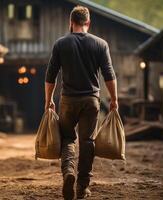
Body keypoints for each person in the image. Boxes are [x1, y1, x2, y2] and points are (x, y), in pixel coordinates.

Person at [44, 5, 118, 200]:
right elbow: (109, 75)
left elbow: (50, 76)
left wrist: (49, 100)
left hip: (68, 100)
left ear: (71, 23)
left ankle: (69, 171)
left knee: (68, 138)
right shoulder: (100, 44)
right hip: (91, 100)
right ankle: (82, 187)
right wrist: (114, 100)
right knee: (87, 141)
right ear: (88, 23)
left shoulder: (61, 44)